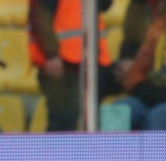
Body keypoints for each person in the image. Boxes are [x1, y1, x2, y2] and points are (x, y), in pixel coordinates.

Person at [28, 0, 115, 131]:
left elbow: (105, 4)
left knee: (90, 119)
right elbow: (40, 16)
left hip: (90, 60)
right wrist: (51, 54)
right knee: (63, 120)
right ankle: (58, 152)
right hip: (63, 63)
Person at [110, 0, 166, 130]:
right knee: (119, 109)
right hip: (153, 94)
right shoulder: (158, 30)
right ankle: (115, 150)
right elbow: (135, 74)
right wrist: (143, 89)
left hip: (160, 102)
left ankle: (154, 151)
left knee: (157, 116)